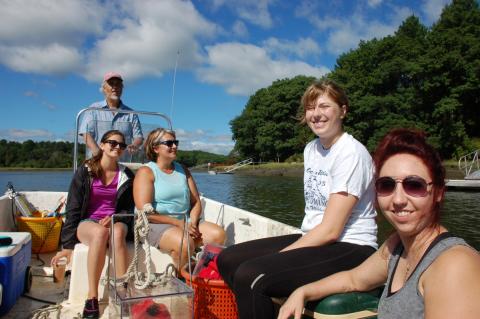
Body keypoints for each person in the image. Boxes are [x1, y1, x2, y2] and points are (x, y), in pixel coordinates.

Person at [278, 128, 480, 319]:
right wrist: (303, 291)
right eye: (387, 185)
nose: (398, 199)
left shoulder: (454, 264)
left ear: (438, 192)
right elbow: (353, 279)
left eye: (414, 185)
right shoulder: (397, 248)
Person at [217, 80, 378, 319]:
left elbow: (331, 230)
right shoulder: (311, 149)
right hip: (315, 236)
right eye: (310, 108)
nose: (316, 114)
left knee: (251, 275)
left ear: (343, 111)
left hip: (352, 246)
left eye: (325, 106)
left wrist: (279, 256)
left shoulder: (351, 153)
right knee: (228, 259)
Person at [51, 130, 135, 319]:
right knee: (99, 233)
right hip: (88, 222)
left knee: (118, 233)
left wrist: (116, 217)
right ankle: (92, 297)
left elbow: (129, 209)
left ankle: (122, 293)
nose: (117, 147)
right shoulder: (86, 171)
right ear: (103, 145)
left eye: (121, 145)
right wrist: (67, 246)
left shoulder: (127, 175)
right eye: (113, 143)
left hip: (116, 221)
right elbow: (73, 207)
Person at [133, 128, 226, 269]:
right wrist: (178, 223)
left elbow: (195, 202)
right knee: (184, 242)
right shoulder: (146, 172)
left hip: (186, 221)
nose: (175, 146)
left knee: (218, 235)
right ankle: (181, 281)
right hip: (155, 224)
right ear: (155, 148)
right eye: (169, 143)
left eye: (175, 142)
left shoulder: (183, 169)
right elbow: (143, 212)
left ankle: (199, 275)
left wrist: (193, 222)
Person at [79, 71, 143, 160]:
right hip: (97, 163)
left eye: (118, 84)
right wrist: (97, 152)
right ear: (104, 89)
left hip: (122, 164)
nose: (115, 87)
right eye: (111, 84)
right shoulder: (93, 108)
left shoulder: (131, 113)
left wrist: (135, 145)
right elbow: (85, 133)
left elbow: (138, 136)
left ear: (122, 88)